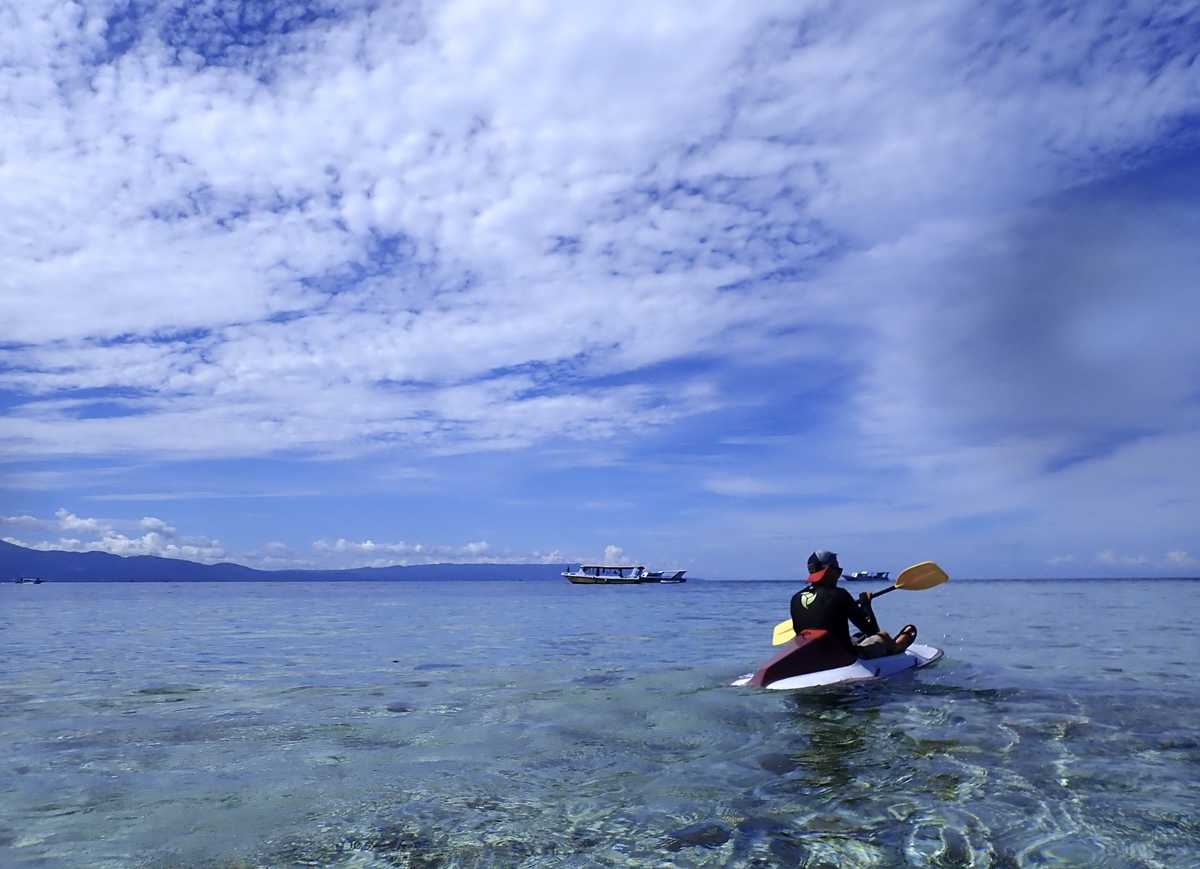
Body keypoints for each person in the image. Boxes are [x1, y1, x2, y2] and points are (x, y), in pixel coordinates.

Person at [790, 550, 917, 659]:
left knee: (858, 636)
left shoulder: (795, 599)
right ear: (830, 571)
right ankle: (896, 648)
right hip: (844, 656)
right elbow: (872, 630)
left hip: (813, 656)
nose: (838, 576)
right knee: (882, 636)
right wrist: (866, 605)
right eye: (838, 570)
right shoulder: (840, 594)